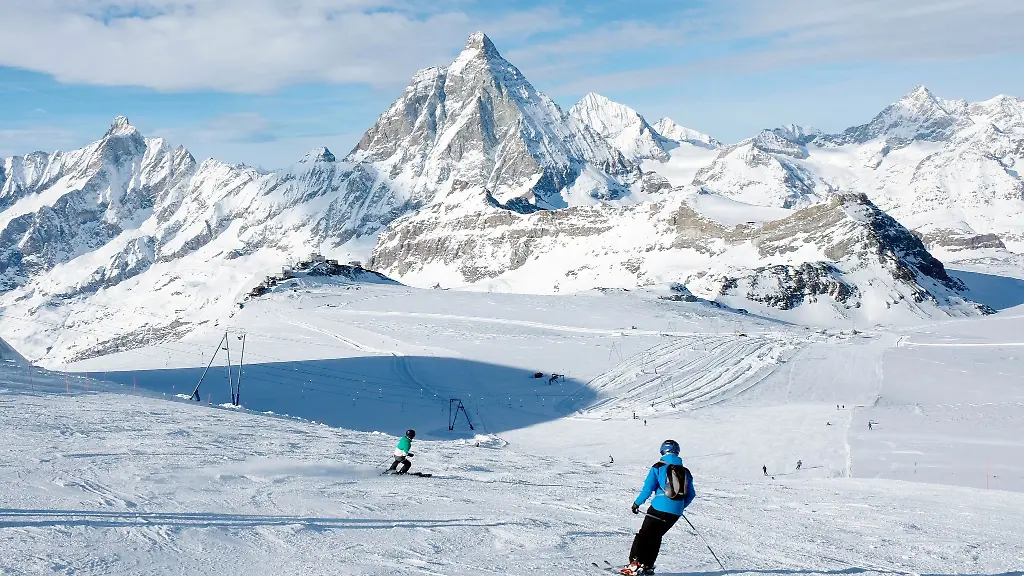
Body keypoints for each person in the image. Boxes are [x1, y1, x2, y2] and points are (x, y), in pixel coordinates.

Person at [621, 440, 695, 575]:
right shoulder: (686, 472)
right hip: (676, 512)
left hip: (659, 507)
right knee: (656, 537)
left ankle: (635, 564)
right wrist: (679, 506)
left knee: (644, 535)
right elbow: (691, 495)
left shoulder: (658, 467)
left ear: (663, 451)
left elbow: (647, 489)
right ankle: (647, 566)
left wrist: (637, 503)